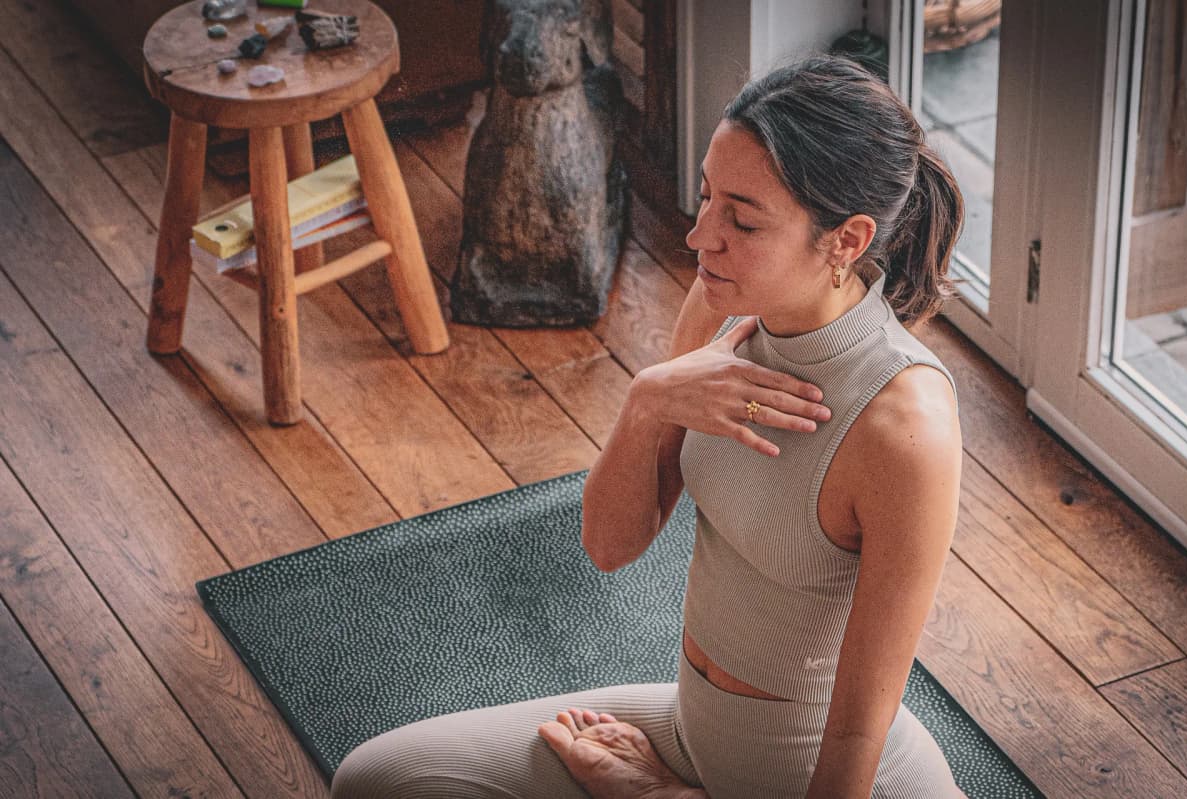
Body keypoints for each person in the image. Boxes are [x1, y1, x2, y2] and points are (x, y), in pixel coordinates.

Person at [330, 53, 966, 799]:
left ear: (847, 240)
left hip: (826, 775)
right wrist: (648, 400)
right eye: (706, 197)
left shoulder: (904, 426)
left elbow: (857, 730)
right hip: (693, 727)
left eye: (742, 219)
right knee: (376, 781)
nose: (701, 239)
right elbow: (609, 544)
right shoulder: (722, 303)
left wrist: (660, 794)